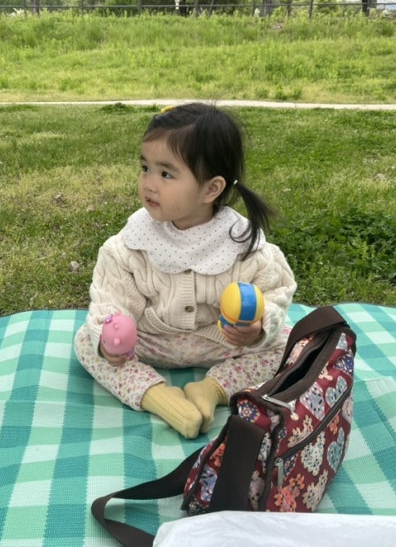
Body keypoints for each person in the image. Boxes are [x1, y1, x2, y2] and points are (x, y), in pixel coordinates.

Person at [75, 103, 297, 439]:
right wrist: (112, 338)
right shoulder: (133, 241)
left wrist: (257, 327)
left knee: (290, 345)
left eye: (165, 174)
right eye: (145, 168)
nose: (149, 183)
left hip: (219, 341)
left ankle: (212, 389)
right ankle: (157, 396)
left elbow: (275, 287)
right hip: (151, 342)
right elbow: (113, 295)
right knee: (85, 341)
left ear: (211, 189)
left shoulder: (239, 242)